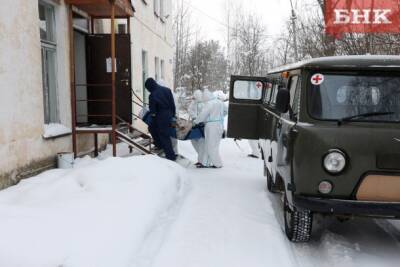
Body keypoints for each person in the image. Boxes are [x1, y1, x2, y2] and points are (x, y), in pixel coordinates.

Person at [145, 78, 177, 161]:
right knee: (162, 133)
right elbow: (172, 105)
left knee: (163, 135)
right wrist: (173, 115)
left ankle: (170, 157)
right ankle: (161, 146)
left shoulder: (153, 95)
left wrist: (153, 116)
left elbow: (153, 111)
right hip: (169, 115)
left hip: (160, 117)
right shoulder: (167, 90)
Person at [194, 89, 225, 168]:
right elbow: (226, 111)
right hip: (220, 125)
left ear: (206, 97)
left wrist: (196, 121)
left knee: (210, 145)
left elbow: (202, 115)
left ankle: (217, 164)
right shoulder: (220, 102)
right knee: (215, 145)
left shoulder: (209, 104)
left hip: (211, 126)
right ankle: (208, 162)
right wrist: (219, 117)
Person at [189, 90, 205, 167]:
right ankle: (201, 158)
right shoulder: (193, 103)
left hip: (203, 126)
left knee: (202, 143)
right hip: (195, 124)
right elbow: (190, 110)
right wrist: (194, 117)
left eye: (196, 97)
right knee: (193, 140)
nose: (194, 99)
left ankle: (201, 161)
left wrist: (201, 120)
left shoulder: (204, 103)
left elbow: (205, 113)